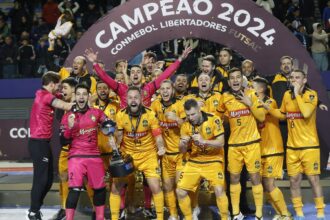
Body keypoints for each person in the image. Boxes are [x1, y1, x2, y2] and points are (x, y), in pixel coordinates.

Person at [265, 69, 326, 220]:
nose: (293, 80)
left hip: (309, 146)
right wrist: (270, 110)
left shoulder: (311, 94)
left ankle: (320, 212)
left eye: (297, 78)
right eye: (292, 78)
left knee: (313, 180)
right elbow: (283, 115)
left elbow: (305, 113)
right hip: (292, 147)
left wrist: (297, 94)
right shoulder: (287, 95)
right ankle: (299, 213)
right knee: (294, 180)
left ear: (304, 80)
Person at [110, 87, 166, 220]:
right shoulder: (120, 115)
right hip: (129, 156)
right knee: (115, 186)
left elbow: (157, 136)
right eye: (130, 98)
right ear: (126, 100)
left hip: (148, 155)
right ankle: (114, 217)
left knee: (155, 186)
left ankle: (160, 218)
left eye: (136, 97)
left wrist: (161, 147)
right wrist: (115, 145)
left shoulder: (150, 114)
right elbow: (119, 136)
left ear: (141, 100)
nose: (133, 100)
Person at [217, 68, 265, 220]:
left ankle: (259, 214)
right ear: (229, 81)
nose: (236, 80)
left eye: (238, 77)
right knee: (234, 179)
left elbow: (262, 117)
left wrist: (250, 104)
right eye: (232, 78)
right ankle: (236, 213)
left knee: (255, 178)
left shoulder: (251, 94)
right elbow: (218, 117)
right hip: (234, 146)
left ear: (242, 80)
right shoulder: (224, 97)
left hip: (252, 144)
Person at [27, 71, 74, 220]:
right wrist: (82, 101)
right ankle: (33, 211)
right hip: (38, 143)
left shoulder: (45, 94)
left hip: (43, 143)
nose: (60, 89)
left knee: (47, 179)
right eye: (58, 86)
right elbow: (66, 106)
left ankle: (35, 208)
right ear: (52, 84)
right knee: (40, 179)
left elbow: (63, 97)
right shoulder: (45, 96)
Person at [84, 47, 192, 108]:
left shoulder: (149, 88)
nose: (135, 74)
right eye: (133, 72)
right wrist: (94, 63)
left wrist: (180, 59)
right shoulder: (122, 89)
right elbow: (105, 78)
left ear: (142, 75)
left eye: (138, 72)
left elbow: (166, 74)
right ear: (130, 76)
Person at [60, 83, 109, 220]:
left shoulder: (97, 113)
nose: (81, 97)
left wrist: (109, 128)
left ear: (88, 97)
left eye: (84, 94)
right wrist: (70, 128)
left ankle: (99, 218)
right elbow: (63, 142)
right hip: (76, 157)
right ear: (75, 97)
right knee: (75, 189)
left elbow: (110, 126)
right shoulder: (68, 116)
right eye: (79, 94)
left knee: (100, 189)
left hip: (94, 156)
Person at [177, 99, 228, 220]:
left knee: (219, 189)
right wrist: (183, 144)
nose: (191, 117)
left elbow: (221, 143)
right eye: (188, 115)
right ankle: (189, 218)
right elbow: (182, 150)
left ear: (199, 110)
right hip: (195, 160)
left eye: (193, 114)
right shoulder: (185, 125)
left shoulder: (213, 119)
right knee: (180, 192)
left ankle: (225, 218)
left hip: (213, 159)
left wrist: (204, 141)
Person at [252, 77, 291, 220]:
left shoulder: (270, 102)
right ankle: (280, 213)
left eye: (252, 86)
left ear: (261, 89)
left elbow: (261, 115)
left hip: (273, 149)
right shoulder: (253, 103)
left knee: (269, 184)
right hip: (259, 148)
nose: (250, 88)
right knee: (264, 185)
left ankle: (286, 214)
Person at [150, 80, 186, 220]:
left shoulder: (179, 105)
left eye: (168, 89)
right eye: (162, 89)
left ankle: (187, 214)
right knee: (167, 187)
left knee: (181, 187)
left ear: (173, 90)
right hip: (165, 154)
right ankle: (173, 215)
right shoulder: (155, 105)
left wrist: (177, 119)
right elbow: (150, 123)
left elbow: (188, 127)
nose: (165, 91)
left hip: (180, 154)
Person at [52, 77, 77, 220]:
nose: (62, 91)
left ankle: (95, 211)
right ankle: (64, 208)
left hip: (80, 152)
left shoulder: (83, 105)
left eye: (65, 88)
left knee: (88, 181)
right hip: (65, 150)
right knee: (63, 178)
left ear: (74, 89)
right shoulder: (61, 108)